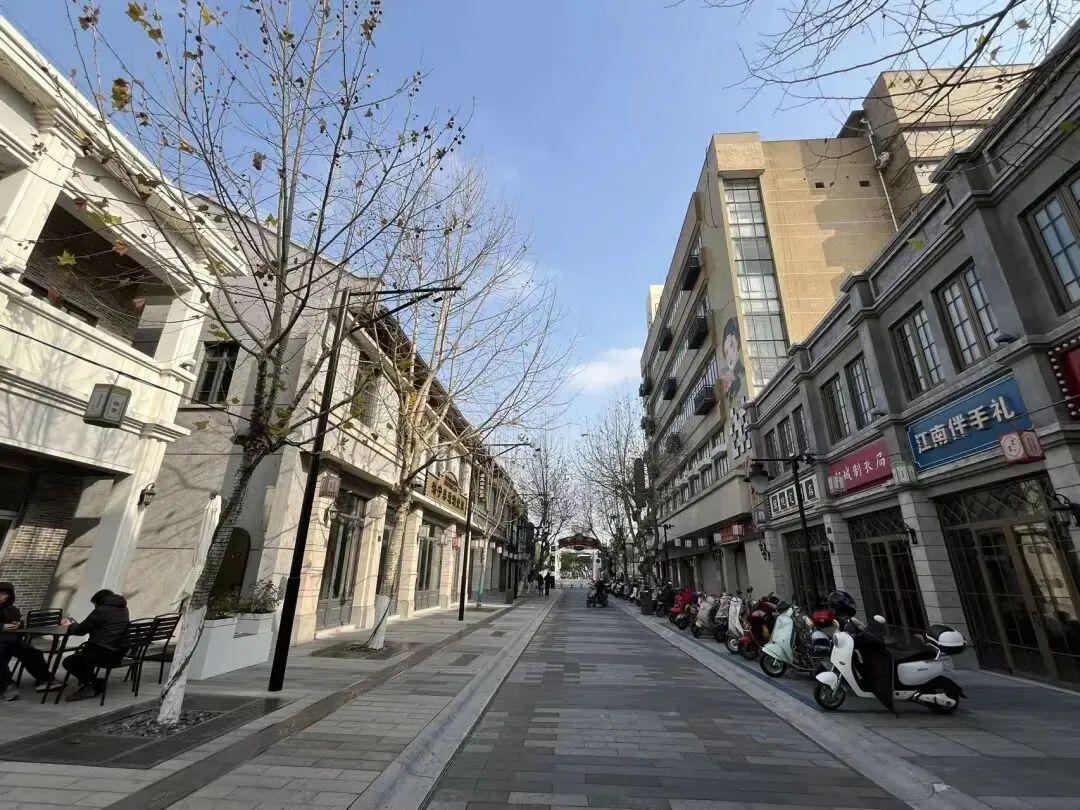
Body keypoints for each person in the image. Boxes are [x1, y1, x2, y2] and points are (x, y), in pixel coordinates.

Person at [60, 589, 130, 702]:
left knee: (69, 661)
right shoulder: (123, 609)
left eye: (94, 604)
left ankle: (91, 684)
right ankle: (95, 683)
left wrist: (70, 625)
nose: (95, 607)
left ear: (98, 601)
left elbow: (80, 630)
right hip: (118, 653)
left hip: (103, 652)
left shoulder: (102, 610)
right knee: (85, 655)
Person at [0, 582, 59, 701]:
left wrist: (19, 625)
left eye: (4, 594)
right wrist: (2, 627)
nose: (0, 596)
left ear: (9, 596)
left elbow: (19, 623)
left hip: (12, 640)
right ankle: (7, 685)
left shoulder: (13, 610)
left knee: (32, 652)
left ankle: (45, 679)